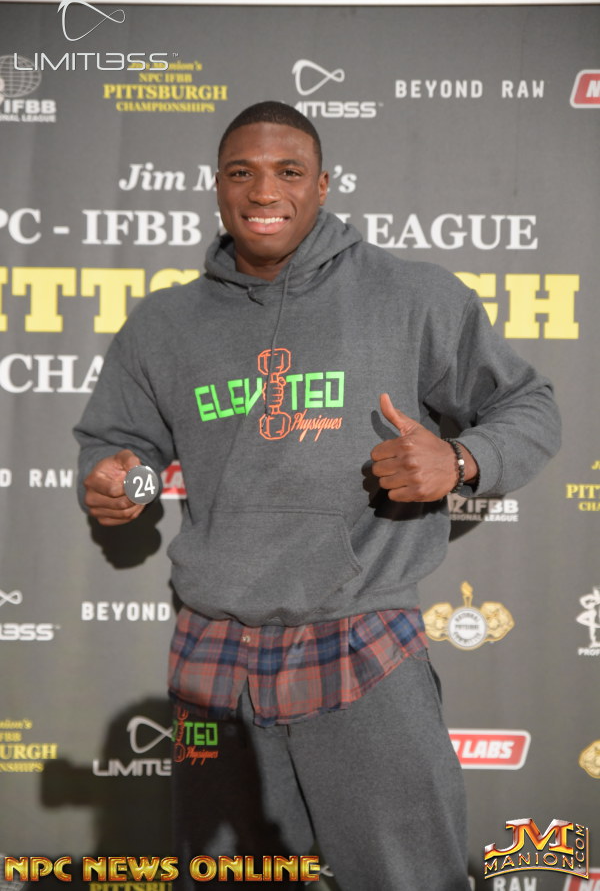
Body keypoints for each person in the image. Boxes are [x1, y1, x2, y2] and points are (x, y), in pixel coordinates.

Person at [74, 101, 561, 890]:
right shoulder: (163, 324)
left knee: (408, 878)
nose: (264, 191)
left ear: (324, 185)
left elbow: (530, 406)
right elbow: (118, 447)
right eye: (242, 172)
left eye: (289, 172)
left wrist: (461, 459)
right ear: (217, 186)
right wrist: (120, 481)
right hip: (215, 651)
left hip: (361, 634)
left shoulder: (411, 296)